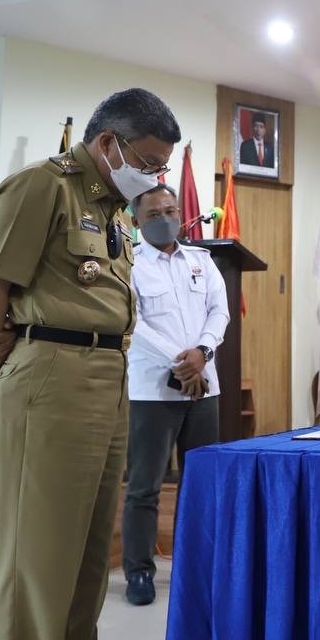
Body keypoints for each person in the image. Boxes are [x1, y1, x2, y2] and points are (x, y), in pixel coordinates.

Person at [0, 88, 180, 640]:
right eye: (149, 162)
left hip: (107, 377)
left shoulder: (112, 208)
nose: (155, 177)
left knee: (85, 567)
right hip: (51, 377)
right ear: (109, 142)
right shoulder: (43, 186)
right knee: (37, 565)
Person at [121, 183, 228, 606]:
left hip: (204, 389)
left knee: (200, 483)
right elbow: (132, 322)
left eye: (170, 211)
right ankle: (139, 572)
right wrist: (182, 362)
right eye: (153, 214)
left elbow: (219, 312)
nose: (165, 219)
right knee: (144, 486)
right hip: (152, 391)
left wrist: (202, 353)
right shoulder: (128, 263)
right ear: (136, 220)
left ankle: (194, 566)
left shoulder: (201, 260)